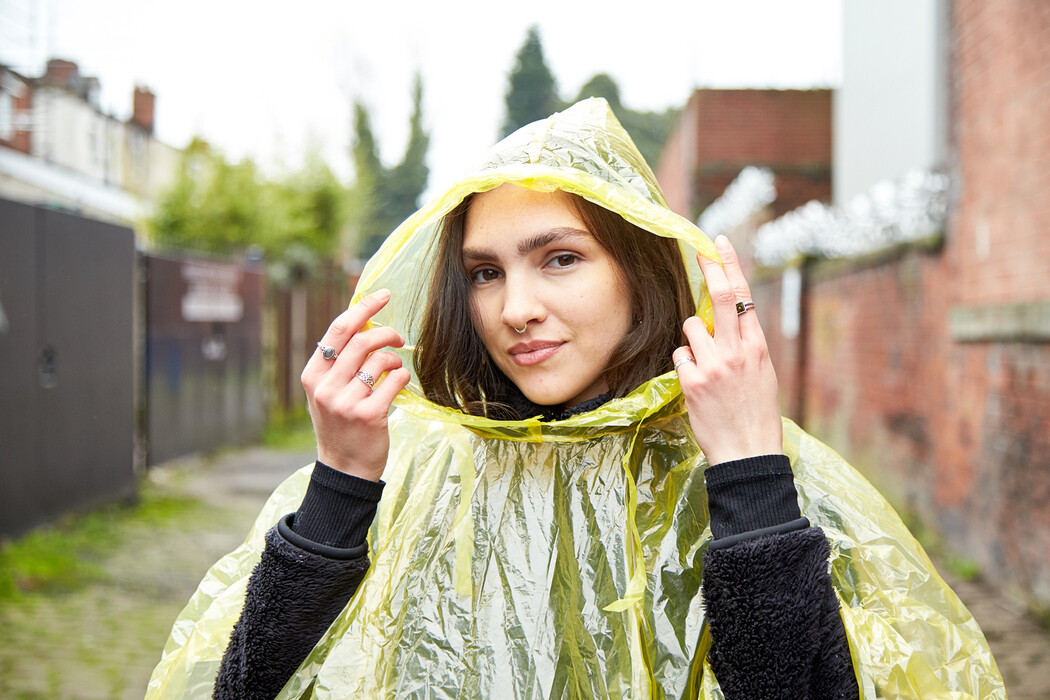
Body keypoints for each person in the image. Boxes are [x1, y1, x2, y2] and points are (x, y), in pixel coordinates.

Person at [147, 99, 1004, 699]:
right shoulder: (416, 468)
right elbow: (250, 685)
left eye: (559, 257)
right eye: (486, 272)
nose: (514, 308)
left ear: (640, 266)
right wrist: (339, 486)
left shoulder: (750, 465)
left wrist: (750, 482)